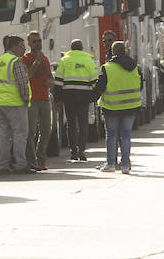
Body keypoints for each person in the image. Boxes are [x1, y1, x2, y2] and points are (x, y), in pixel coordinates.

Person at [92, 41, 142, 173]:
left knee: (112, 134)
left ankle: (111, 164)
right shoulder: (135, 67)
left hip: (112, 107)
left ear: (113, 52)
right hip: (131, 106)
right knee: (126, 134)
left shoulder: (108, 67)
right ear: (125, 50)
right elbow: (140, 85)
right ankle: (125, 165)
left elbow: (99, 87)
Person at [0, 35, 33, 174]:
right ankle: (21, 164)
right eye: (22, 46)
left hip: (0, 103)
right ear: (14, 46)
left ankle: (2, 166)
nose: (24, 49)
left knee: (4, 135)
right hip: (16, 103)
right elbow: (22, 83)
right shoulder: (16, 61)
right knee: (20, 134)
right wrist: (26, 98)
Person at [54, 39, 98, 161]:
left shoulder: (64, 60)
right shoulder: (88, 61)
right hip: (84, 96)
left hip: (68, 96)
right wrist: (95, 97)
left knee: (71, 124)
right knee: (83, 124)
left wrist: (57, 99)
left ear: (71, 48)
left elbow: (58, 82)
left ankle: (73, 151)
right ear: (82, 48)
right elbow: (95, 81)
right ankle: (82, 150)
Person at [22, 31, 53, 171]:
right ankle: (31, 161)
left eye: (39, 40)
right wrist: (37, 61)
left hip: (45, 98)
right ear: (28, 43)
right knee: (30, 131)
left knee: (46, 130)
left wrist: (50, 81)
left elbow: (50, 75)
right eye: (34, 41)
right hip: (32, 99)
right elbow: (28, 75)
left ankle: (41, 159)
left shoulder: (45, 59)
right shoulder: (26, 58)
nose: (38, 43)